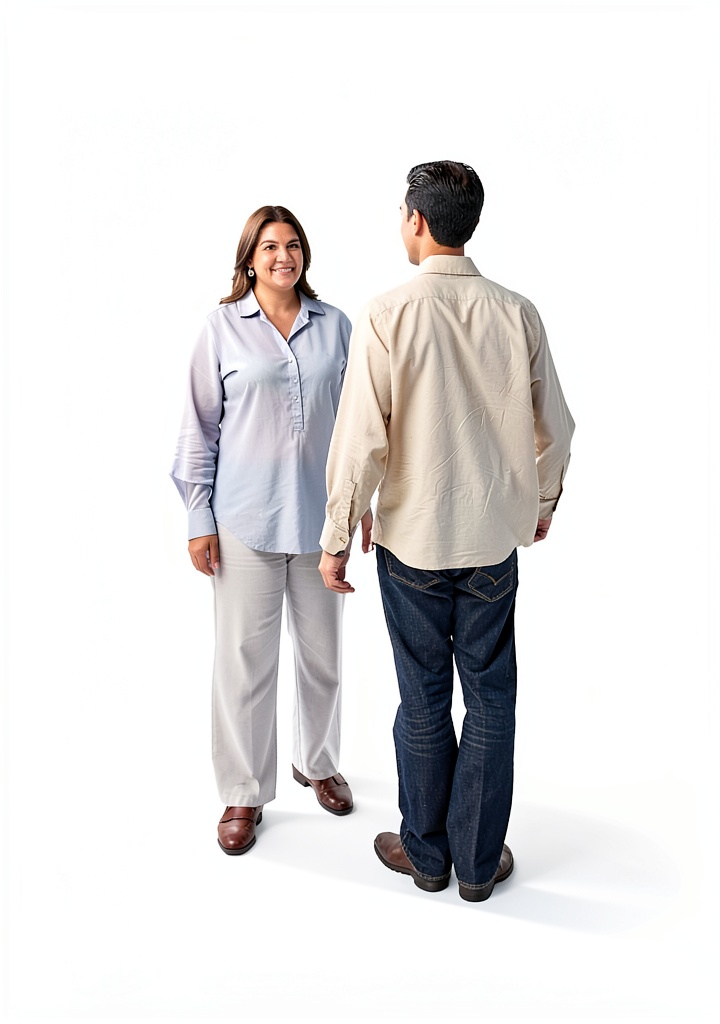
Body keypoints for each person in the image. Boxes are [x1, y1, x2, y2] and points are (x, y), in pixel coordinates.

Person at [319, 161, 574, 901]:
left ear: (418, 221)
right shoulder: (518, 312)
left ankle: (427, 856)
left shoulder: (386, 313)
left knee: (423, 698)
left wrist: (336, 537)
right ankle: (477, 864)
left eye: (403, 214)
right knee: (491, 699)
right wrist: (541, 505)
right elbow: (557, 428)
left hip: (412, 544)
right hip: (491, 542)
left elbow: (361, 440)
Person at [171, 205, 370, 855]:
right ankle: (243, 789)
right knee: (244, 663)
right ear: (249, 259)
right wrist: (199, 517)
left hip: (321, 523)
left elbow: (361, 425)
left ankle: (318, 762)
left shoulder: (335, 325)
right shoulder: (221, 328)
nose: (283, 256)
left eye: (293, 245)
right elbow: (198, 427)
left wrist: (363, 503)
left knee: (322, 656)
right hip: (243, 521)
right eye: (269, 247)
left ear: (304, 254)